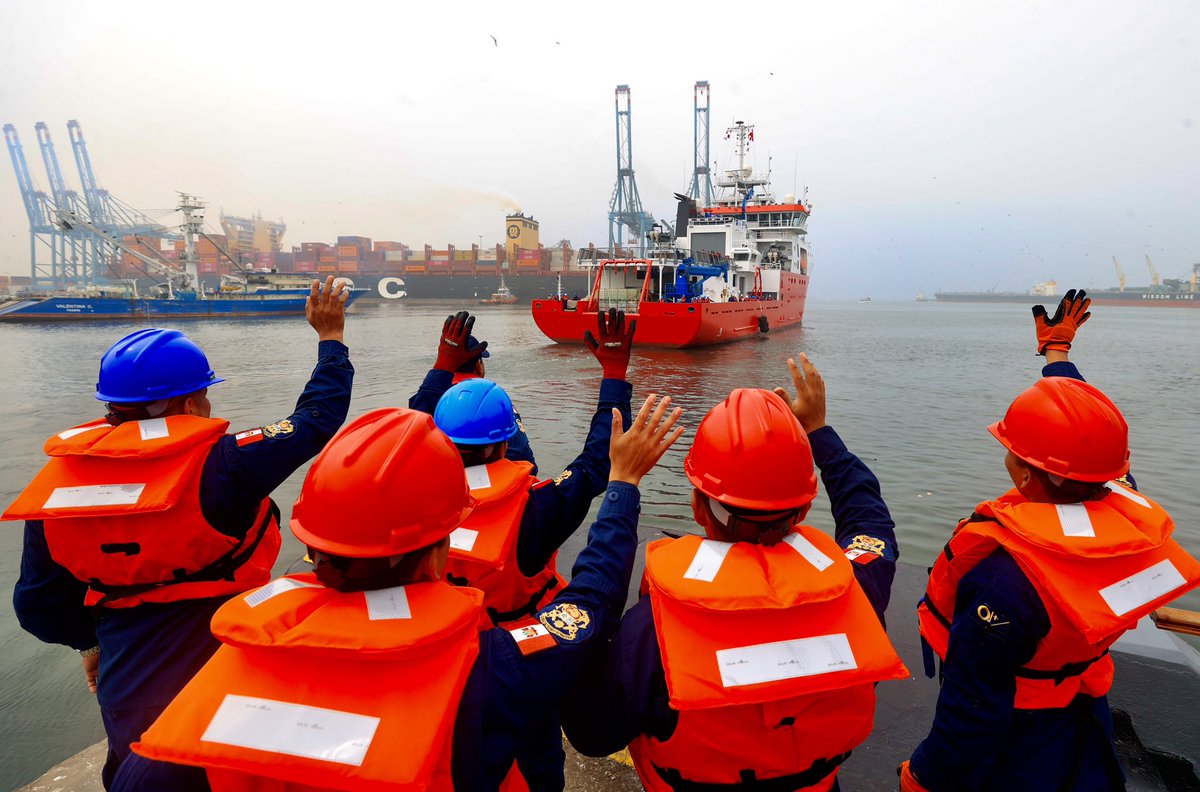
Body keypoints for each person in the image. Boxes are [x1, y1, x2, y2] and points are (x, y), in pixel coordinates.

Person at [116, 398, 684, 791]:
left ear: (313, 544)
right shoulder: (489, 674)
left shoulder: (209, 685)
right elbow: (588, 607)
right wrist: (622, 485)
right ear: (439, 553)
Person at [6, 276, 355, 789]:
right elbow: (317, 418)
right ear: (192, 404)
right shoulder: (227, 465)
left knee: (137, 771)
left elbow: (36, 605)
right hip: (230, 654)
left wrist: (89, 644)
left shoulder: (56, 492)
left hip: (128, 674)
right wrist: (331, 339)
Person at [562, 356, 909, 791]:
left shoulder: (653, 632)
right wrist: (819, 432)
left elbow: (592, 733)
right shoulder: (857, 588)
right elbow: (870, 524)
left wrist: (622, 486)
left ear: (698, 507)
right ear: (804, 508)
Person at [900, 290, 1200, 791]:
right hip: (1082, 717)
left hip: (1019, 741)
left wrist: (922, 778)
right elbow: (1089, 439)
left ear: (1022, 474)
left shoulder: (1002, 580)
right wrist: (1057, 357)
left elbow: (972, 712)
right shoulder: (1124, 513)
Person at [409, 310, 537, 470]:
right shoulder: (493, 401)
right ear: (478, 365)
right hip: (499, 480)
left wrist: (442, 366)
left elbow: (412, 435)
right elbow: (524, 458)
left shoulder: (430, 401)